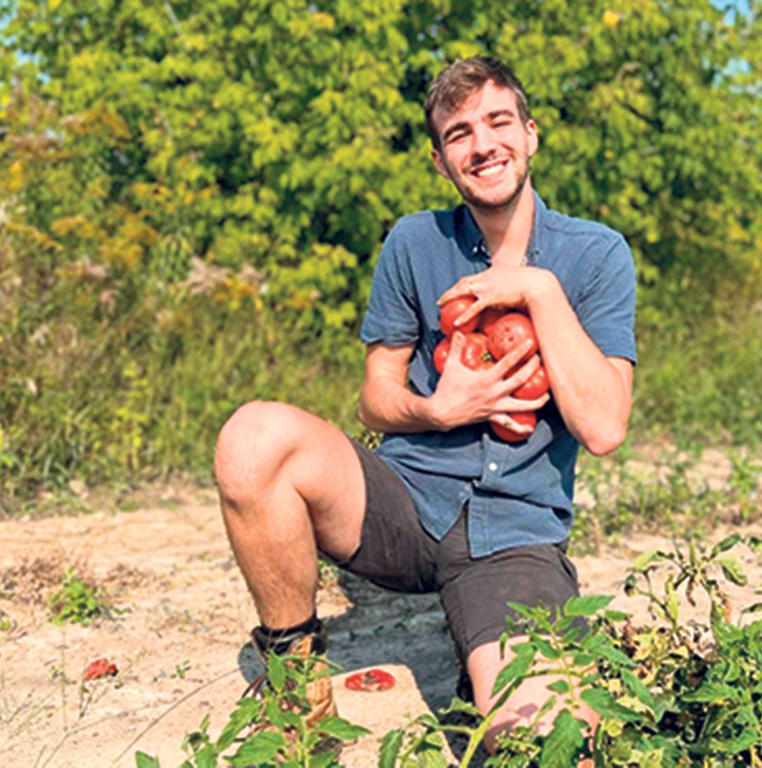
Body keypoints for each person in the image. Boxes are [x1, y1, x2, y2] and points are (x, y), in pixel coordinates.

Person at [214, 55, 636, 751]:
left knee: (545, 736)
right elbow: (375, 397)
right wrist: (436, 410)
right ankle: (295, 678)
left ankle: (489, 668)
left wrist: (537, 291)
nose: (483, 144)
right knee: (253, 436)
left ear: (530, 134)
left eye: (499, 122)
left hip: (514, 537)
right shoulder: (415, 242)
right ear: (441, 161)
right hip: (402, 504)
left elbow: (604, 426)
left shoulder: (595, 257)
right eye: (459, 133)